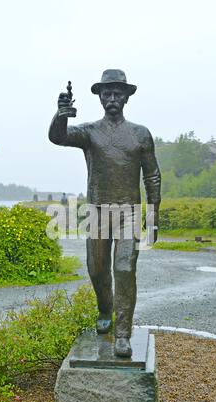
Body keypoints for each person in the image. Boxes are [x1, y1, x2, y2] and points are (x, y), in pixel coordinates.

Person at [48, 69, 161, 357]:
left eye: (117, 93)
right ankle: (105, 309)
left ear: (126, 97)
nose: (112, 98)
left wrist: (154, 214)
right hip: (97, 212)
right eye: (107, 93)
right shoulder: (89, 132)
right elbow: (58, 137)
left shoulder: (140, 134)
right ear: (99, 97)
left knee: (124, 269)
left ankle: (123, 333)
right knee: (97, 269)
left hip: (129, 213)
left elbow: (152, 176)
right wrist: (62, 113)